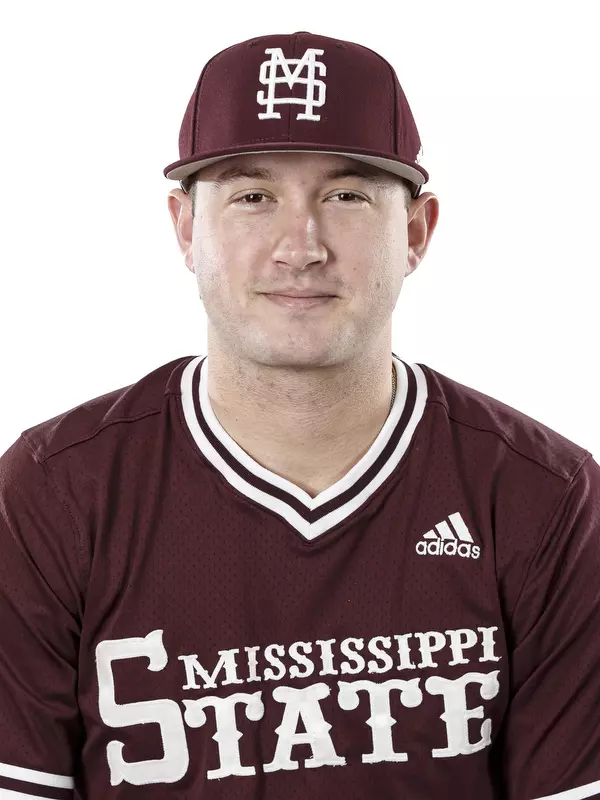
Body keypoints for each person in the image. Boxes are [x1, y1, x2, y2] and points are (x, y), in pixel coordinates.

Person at [0, 30, 598, 800]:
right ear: (185, 227)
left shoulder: (543, 497)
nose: (301, 247)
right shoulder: (54, 493)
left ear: (416, 232)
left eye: (347, 196)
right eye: (253, 197)